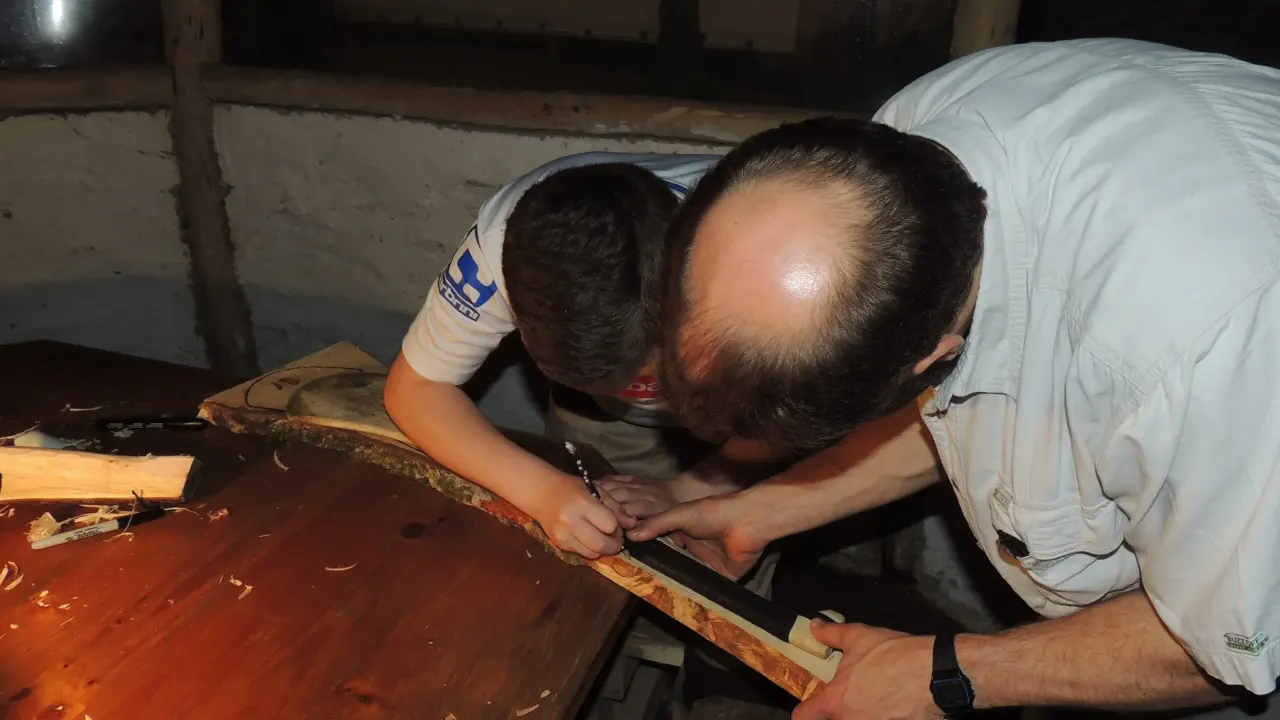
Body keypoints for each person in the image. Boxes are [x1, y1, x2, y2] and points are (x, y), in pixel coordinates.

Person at [629, 39, 1280, 719]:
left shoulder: (1201, 362)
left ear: (931, 354)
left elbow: (1222, 649)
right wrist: (761, 512)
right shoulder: (902, 152)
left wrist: (948, 674)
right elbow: (966, 409)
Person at [384, 151, 781, 589]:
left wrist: (692, 488)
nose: (652, 390)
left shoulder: (769, 254)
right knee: (608, 566)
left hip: (754, 408)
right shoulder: (499, 252)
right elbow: (415, 387)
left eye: (654, 371)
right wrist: (541, 490)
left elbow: (795, 424)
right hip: (607, 419)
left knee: (731, 572)